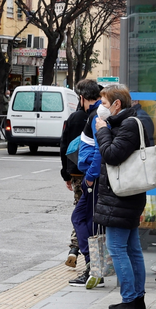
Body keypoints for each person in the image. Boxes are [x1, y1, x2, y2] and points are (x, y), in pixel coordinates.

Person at [93, 84, 154, 309]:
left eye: (105, 104)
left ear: (117, 104)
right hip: (127, 196)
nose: (101, 108)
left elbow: (112, 155)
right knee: (132, 249)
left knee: (117, 248)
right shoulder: (129, 122)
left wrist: (102, 130)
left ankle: (129, 300)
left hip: (121, 197)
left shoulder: (128, 124)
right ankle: (137, 299)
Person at [64, 80, 102, 280]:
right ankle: (92, 265)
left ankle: (92, 266)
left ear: (82, 98)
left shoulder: (96, 117)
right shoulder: (95, 115)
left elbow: (99, 151)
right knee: (82, 219)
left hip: (91, 179)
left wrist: (89, 178)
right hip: (91, 178)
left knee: (84, 220)